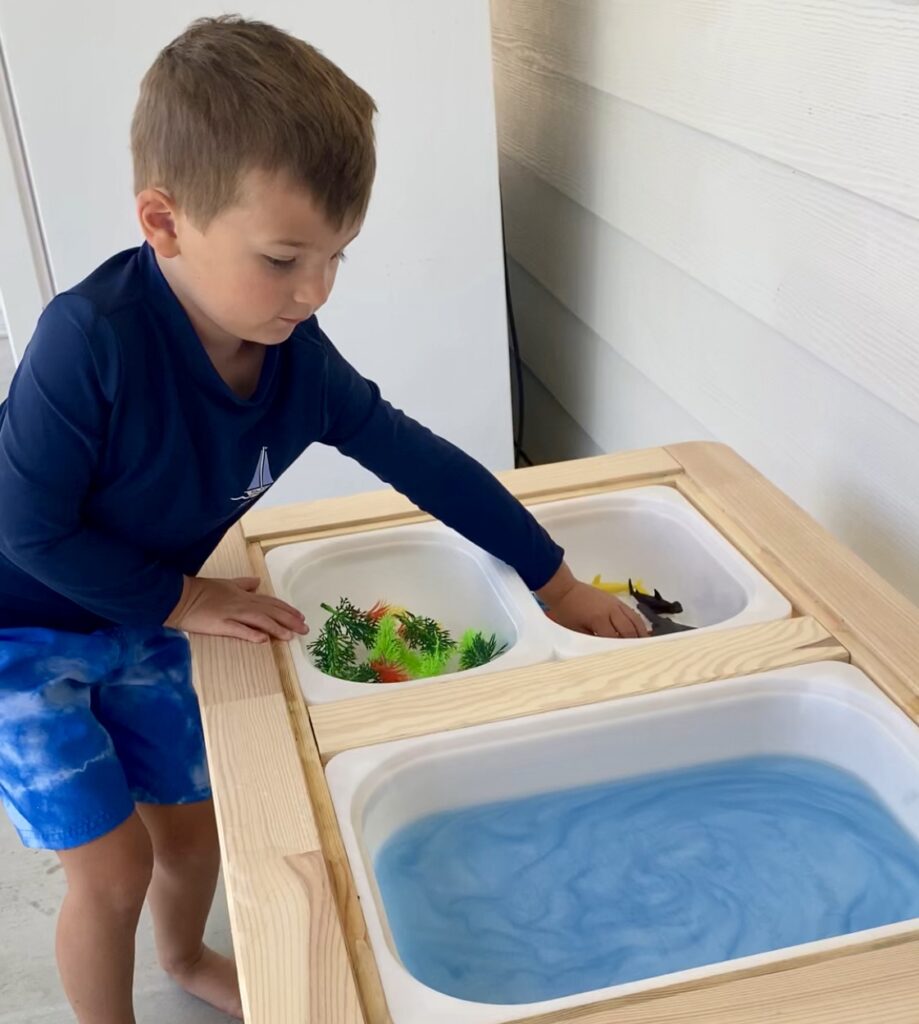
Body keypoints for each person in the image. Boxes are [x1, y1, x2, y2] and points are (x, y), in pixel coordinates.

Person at [0, 17, 646, 1023]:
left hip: (146, 615)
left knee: (197, 831)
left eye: (337, 257)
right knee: (113, 867)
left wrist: (553, 578)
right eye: (283, 257)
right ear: (163, 223)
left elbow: (417, 456)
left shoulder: (296, 355)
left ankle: (182, 958)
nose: (313, 293)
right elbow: (27, 531)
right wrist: (183, 596)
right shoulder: (88, 342)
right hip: (20, 630)